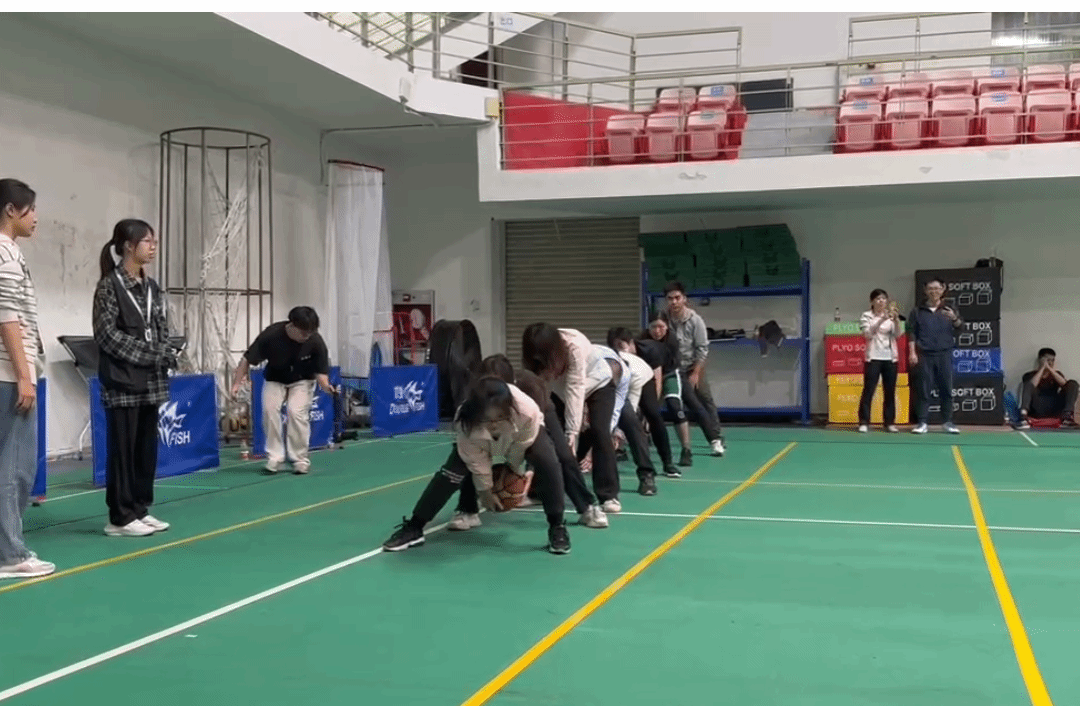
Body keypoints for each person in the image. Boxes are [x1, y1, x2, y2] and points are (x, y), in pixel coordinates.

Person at [382, 375, 572, 555]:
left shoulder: (527, 412)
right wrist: (485, 491)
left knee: (548, 460)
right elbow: (476, 460)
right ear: (477, 413)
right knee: (450, 474)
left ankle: (557, 525)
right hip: (478, 444)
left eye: (499, 417)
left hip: (519, 438)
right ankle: (415, 526)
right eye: (487, 419)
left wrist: (514, 473)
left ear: (509, 409)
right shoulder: (465, 421)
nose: (493, 425)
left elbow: (520, 447)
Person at [450, 354, 608, 530]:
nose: (490, 391)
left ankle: (587, 507)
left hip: (539, 414)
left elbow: (532, 438)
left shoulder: (529, 389)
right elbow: (473, 454)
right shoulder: (478, 398)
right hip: (504, 422)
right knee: (467, 454)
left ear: (510, 384)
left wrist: (525, 471)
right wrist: (484, 490)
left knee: (562, 455)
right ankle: (467, 508)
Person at [92, 219, 178, 538]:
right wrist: (152, 353)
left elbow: (161, 328)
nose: (153, 247)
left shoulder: (152, 287)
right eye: (147, 241)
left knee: (145, 451)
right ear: (129, 246)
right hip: (123, 384)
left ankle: (140, 508)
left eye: (155, 241)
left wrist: (167, 350)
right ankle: (120, 517)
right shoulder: (109, 286)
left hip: (151, 383)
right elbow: (107, 335)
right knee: (123, 452)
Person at [0, 179, 53, 578]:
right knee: (14, 469)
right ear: (10, 211)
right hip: (7, 375)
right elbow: (7, 318)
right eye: (30, 209)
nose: (35, 217)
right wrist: (23, 375)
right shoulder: (4, 254)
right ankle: (10, 555)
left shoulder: (10, 253)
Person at [521, 323, 622, 513]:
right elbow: (537, 389)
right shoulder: (536, 354)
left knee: (600, 431)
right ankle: (537, 492)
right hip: (561, 393)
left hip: (598, 384)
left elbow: (575, 388)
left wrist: (572, 432)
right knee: (550, 437)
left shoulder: (574, 346)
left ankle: (608, 495)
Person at [231, 307, 334, 474]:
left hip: (303, 380)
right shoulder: (271, 335)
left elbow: (321, 372)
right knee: (269, 410)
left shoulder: (315, 341)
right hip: (275, 379)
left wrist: (326, 386)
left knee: (296, 412)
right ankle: (275, 457)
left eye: (310, 333)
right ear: (291, 326)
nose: (306, 336)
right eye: (303, 333)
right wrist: (236, 384)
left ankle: (300, 459)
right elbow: (247, 359)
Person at [661, 281, 725, 457]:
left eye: (677, 298)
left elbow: (702, 348)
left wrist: (696, 373)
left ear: (684, 299)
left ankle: (716, 436)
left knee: (704, 399)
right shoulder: (663, 319)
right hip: (670, 369)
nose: (674, 302)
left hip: (692, 365)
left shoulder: (695, 320)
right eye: (670, 299)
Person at [610, 326, 681, 478]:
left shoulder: (649, 351)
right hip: (626, 382)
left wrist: (651, 409)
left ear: (631, 343)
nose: (621, 351)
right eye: (616, 347)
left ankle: (668, 463)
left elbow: (657, 382)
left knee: (654, 416)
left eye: (622, 345)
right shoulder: (613, 362)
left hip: (645, 378)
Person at [909, 278, 962, 434]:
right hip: (924, 354)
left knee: (946, 389)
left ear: (943, 289)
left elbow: (960, 327)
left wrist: (954, 318)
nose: (934, 291)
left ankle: (947, 422)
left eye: (937, 288)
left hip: (944, 354)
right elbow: (911, 333)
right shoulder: (917, 311)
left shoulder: (949, 309)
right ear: (925, 291)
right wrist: (912, 352)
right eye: (930, 288)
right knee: (923, 390)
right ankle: (922, 422)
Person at [640, 316, 695, 469]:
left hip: (669, 375)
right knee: (640, 410)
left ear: (667, 327)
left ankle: (686, 449)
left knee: (675, 408)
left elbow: (660, 376)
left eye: (661, 327)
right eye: (654, 327)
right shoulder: (642, 341)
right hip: (648, 376)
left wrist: (655, 398)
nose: (657, 331)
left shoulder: (672, 342)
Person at [857, 289, 903, 433]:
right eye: (878, 299)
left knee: (889, 391)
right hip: (873, 357)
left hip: (890, 357)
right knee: (869, 389)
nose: (881, 301)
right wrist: (882, 320)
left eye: (883, 298)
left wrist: (896, 320)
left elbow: (898, 335)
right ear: (872, 302)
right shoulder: (866, 316)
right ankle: (864, 422)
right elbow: (868, 334)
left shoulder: (891, 315)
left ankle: (889, 423)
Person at [1017, 348, 1079, 428]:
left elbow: (1066, 385)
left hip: (1054, 407)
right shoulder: (1029, 375)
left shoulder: (1057, 374)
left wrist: (1050, 369)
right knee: (1029, 384)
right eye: (1047, 360)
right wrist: (1042, 368)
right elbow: (1031, 385)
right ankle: (1023, 417)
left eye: (1052, 360)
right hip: (1037, 407)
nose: (1050, 362)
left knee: (1073, 383)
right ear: (1040, 360)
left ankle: (1067, 416)